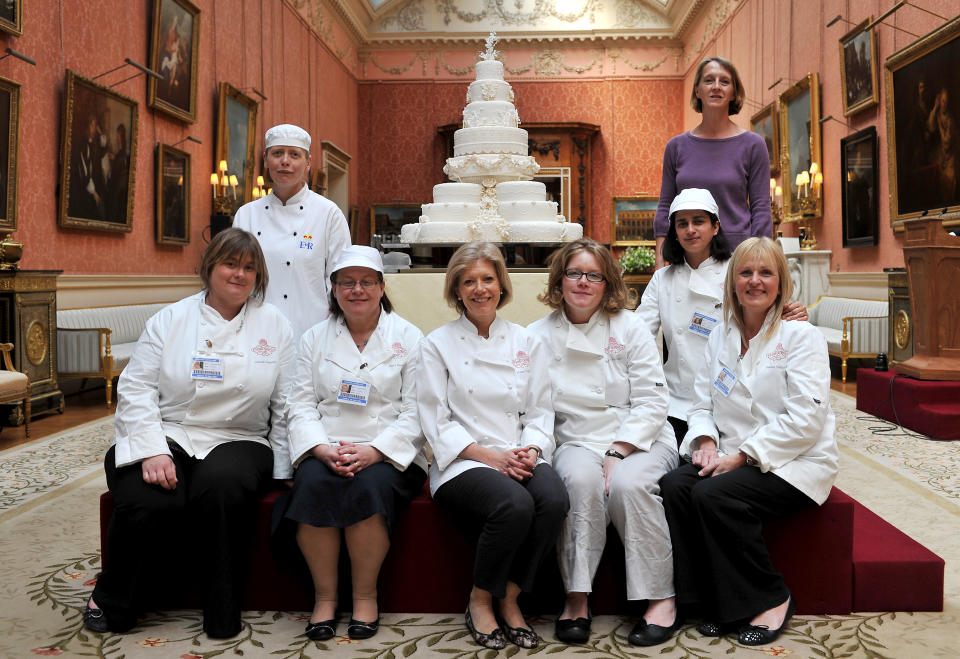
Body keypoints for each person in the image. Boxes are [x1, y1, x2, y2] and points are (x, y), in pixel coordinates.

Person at [83, 228, 295, 638]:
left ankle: (221, 611)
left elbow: (285, 403)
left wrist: (285, 468)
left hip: (241, 436)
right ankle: (112, 599)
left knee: (222, 487)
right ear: (209, 267)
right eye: (230, 264)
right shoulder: (171, 319)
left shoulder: (275, 325)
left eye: (250, 268)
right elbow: (136, 386)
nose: (239, 274)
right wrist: (151, 450)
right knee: (150, 500)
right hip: (169, 430)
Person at [659, 236, 838, 646]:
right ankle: (708, 600)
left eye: (765, 273)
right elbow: (701, 401)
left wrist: (741, 456)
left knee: (713, 495)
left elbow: (806, 419)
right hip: (733, 452)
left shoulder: (801, 337)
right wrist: (704, 440)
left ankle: (771, 596)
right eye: (745, 272)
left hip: (793, 460)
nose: (755, 281)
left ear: (780, 283)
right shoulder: (720, 337)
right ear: (732, 281)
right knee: (675, 486)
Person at [527, 239, 680, 646]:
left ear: (607, 283)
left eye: (594, 275)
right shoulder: (535, 336)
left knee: (629, 486)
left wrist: (619, 449)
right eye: (574, 273)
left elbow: (653, 399)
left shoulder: (630, 327)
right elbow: (533, 405)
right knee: (579, 483)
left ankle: (661, 598)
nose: (583, 282)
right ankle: (577, 597)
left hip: (641, 435)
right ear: (559, 280)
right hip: (575, 437)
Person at [418, 242, 569, 651]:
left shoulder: (525, 341)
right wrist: (491, 457)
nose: (480, 289)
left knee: (553, 498)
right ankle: (481, 598)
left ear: (502, 285)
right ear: (456, 290)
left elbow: (540, 411)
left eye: (488, 279)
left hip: (518, 452)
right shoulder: (437, 344)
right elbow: (436, 421)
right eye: (469, 281)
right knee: (514, 505)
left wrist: (531, 451)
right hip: (464, 463)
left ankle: (511, 595)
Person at [281, 245, 427, 641]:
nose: (357, 290)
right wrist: (320, 448)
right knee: (313, 484)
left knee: (368, 486)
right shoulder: (314, 338)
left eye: (366, 282)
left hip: (389, 452)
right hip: (328, 444)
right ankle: (325, 598)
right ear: (334, 289)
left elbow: (417, 410)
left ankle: (365, 597)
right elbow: (298, 403)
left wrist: (376, 451)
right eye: (347, 282)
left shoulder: (409, 338)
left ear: (382, 287)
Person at [636, 188, 806, 446]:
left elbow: (768, 313)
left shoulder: (737, 273)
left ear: (715, 226)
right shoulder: (663, 280)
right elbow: (638, 334)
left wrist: (791, 312)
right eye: (682, 223)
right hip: (676, 400)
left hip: (729, 399)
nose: (690, 229)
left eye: (699, 221)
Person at [233, 123, 351, 340]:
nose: (285, 161)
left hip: (313, 331)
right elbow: (236, 277)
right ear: (266, 160)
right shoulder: (246, 214)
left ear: (308, 163)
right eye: (277, 153)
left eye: (294, 154)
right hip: (256, 331)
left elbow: (340, 280)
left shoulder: (328, 214)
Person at [653, 57, 772, 268]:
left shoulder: (753, 145)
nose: (716, 87)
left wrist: (759, 261)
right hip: (686, 256)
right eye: (709, 80)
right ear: (697, 90)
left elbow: (761, 209)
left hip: (738, 256)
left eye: (724, 81)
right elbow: (665, 206)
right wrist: (660, 256)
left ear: (734, 92)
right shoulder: (676, 147)